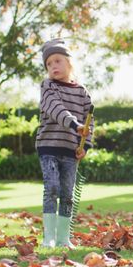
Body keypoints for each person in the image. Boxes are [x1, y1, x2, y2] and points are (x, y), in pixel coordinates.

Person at [36, 38, 94, 249]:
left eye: (57, 61)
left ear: (70, 63)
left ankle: (63, 238)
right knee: (51, 188)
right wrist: (74, 124)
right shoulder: (48, 86)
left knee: (67, 194)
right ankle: (48, 237)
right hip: (49, 147)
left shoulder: (82, 92)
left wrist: (85, 145)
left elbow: (90, 122)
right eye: (49, 64)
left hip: (71, 150)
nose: (53, 67)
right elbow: (55, 108)